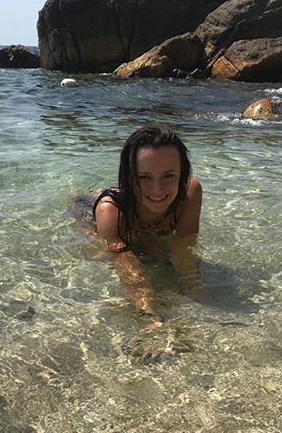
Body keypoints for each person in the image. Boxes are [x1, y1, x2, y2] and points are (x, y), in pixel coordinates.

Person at [84, 126, 203, 322]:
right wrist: (150, 315)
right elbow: (129, 272)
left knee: (159, 253)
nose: (157, 189)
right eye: (144, 177)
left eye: (168, 176)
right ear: (129, 177)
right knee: (114, 253)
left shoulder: (190, 192)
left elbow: (184, 250)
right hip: (92, 212)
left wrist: (197, 301)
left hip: (142, 222)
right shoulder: (110, 210)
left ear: (182, 174)